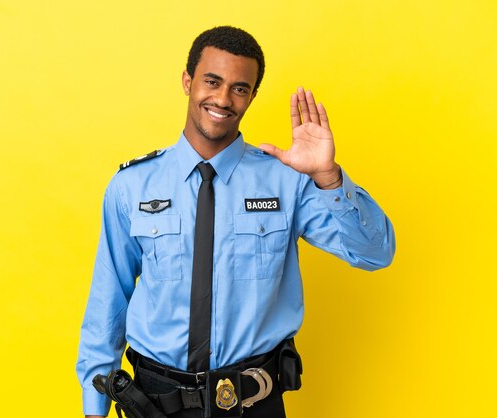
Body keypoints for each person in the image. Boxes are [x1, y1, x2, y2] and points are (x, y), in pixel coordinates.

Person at [77, 26, 395, 418]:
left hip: (253, 403)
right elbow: (107, 304)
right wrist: (95, 410)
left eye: (239, 88)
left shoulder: (287, 182)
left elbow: (375, 253)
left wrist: (328, 177)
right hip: (154, 404)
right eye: (212, 81)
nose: (223, 99)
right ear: (188, 81)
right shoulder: (132, 186)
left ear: (252, 96)